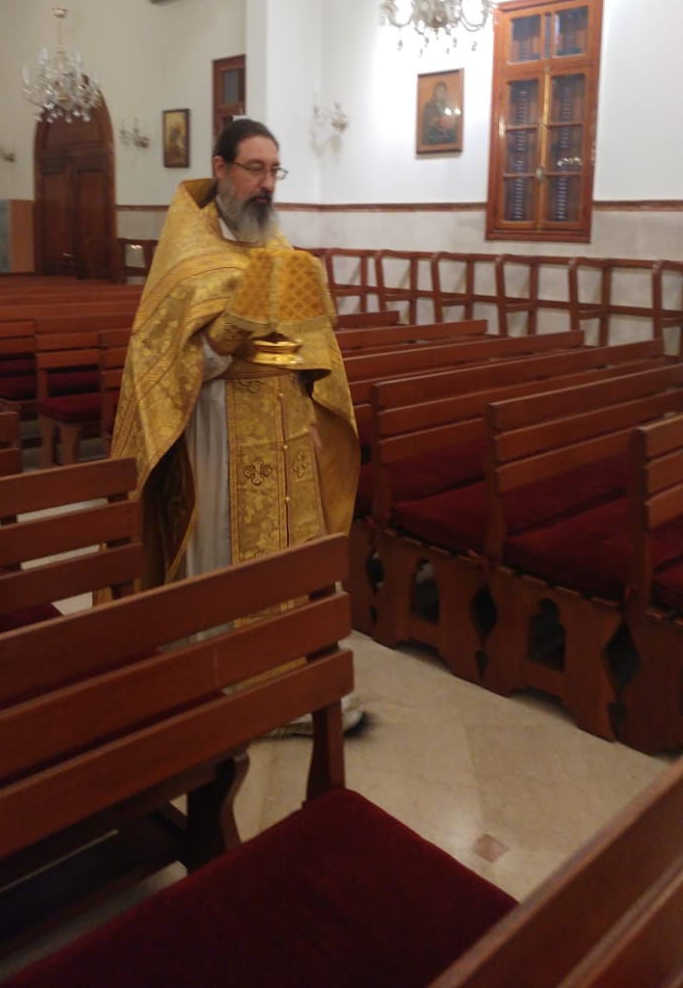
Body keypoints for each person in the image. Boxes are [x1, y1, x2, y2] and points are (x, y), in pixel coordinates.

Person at [111, 116, 363, 728]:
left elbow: (305, 346)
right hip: (216, 424)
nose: (267, 183)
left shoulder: (276, 246)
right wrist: (227, 331)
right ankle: (216, 679)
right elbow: (162, 364)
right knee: (223, 546)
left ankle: (286, 673)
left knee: (287, 552)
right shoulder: (186, 254)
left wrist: (310, 396)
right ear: (221, 168)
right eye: (255, 169)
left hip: (284, 428)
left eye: (274, 170)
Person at [421, 80, 458, 146]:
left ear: (444, 94)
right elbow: (426, 123)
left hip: (446, 136)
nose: (438, 93)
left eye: (442, 91)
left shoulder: (446, 106)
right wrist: (437, 120)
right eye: (437, 90)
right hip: (434, 136)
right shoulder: (429, 106)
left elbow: (452, 120)